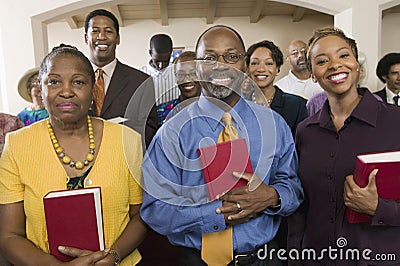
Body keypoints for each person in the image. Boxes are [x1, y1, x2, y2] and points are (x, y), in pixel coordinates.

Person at [140, 25, 304, 266]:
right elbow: (155, 209)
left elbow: (293, 186)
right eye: (209, 58)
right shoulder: (172, 132)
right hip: (196, 260)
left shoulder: (274, 124)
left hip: (263, 258)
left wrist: (271, 196)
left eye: (232, 56)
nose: (221, 65)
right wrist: (216, 214)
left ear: (245, 65)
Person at [0, 44, 147, 265]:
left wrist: (113, 257)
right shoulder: (17, 145)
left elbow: (141, 216)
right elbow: (9, 235)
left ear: (94, 91)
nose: (66, 91)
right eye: (54, 81)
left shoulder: (127, 140)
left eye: (78, 82)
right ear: (41, 88)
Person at [288, 27, 400, 265]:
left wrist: (379, 207)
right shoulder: (305, 131)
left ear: (357, 64)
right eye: (321, 61)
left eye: (343, 55)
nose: (335, 65)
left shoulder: (396, 122)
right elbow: (301, 204)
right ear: (313, 75)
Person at [84, 9, 158, 148]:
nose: (102, 36)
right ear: (86, 38)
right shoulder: (73, 81)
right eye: (95, 31)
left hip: (124, 159)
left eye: (108, 31)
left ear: (118, 39)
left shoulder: (141, 81)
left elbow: (150, 129)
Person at [245, 40, 308, 137]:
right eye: (254, 63)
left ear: (277, 68)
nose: (261, 69)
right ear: (247, 69)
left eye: (269, 63)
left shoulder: (297, 105)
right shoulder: (239, 104)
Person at [156, 51, 202, 126]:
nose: (187, 80)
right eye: (181, 74)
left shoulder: (215, 110)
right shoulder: (161, 112)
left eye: (193, 74)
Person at [140, 33, 179, 105]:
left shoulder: (178, 72)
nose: (161, 65)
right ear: (150, 52)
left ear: (171, 54)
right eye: (157, 61)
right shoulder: (139, 74)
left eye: (165, 61)